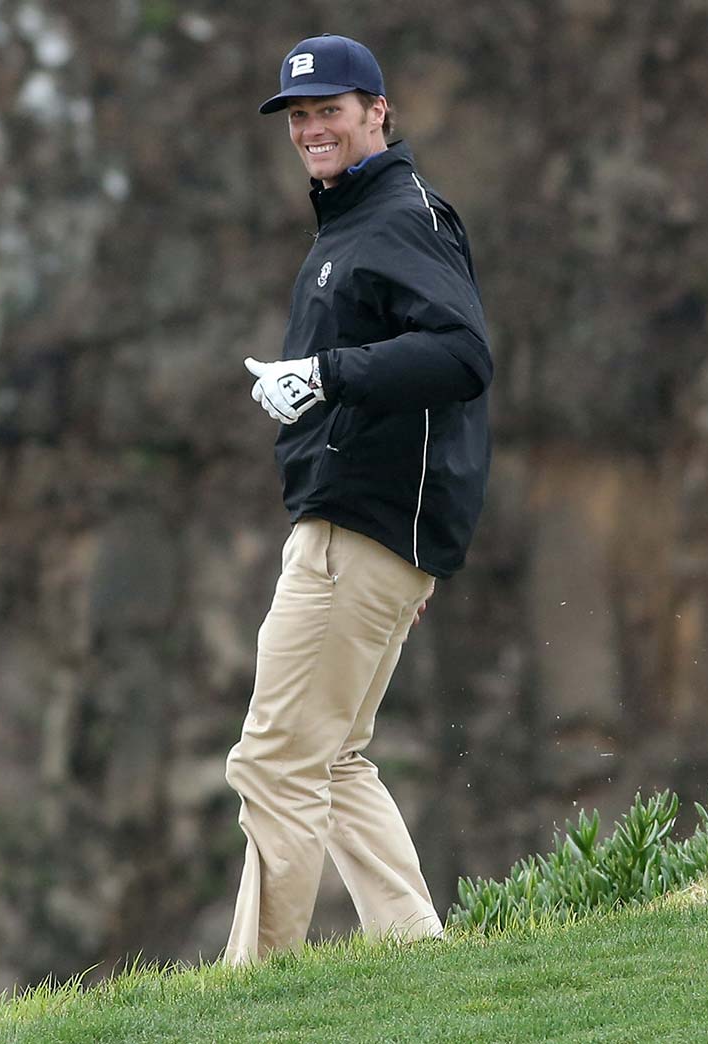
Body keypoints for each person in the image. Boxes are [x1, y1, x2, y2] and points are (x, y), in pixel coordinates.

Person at [224, 33, 492, 965]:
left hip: (360, 534)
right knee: (332, 759)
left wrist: (327, 376)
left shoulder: (399, 218)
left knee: (275, 762)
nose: (311, 129)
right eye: (298, 115)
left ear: (378, 111)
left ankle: (253, 989)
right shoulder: (354, 220)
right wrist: (309, 381)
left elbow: (464, 357)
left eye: (329, 110)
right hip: (365, 530)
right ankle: (415, 955)